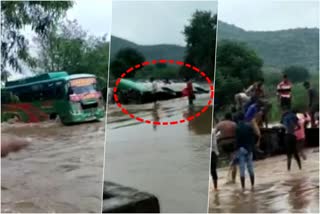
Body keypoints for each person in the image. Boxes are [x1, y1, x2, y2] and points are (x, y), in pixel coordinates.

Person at [235, 112, 256, 190]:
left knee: (242, 169)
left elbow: (237, 141)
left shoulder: (237, 128)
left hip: (241, 150)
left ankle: (243, 188)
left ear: (238, 119)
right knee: (250, 168)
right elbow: (252, 138)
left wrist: (236, 149)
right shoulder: (249, 126)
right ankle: (252, 186)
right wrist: (252, 148)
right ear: (244, 118)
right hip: (249, 149)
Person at [215, 113, 237, 183]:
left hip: (223, 145)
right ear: (231, 118)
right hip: (233, 144)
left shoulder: (220, 124)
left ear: (224, 117)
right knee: (233, 161)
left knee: (228, 157)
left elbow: (214, 133)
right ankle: (233, 179)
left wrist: (218, 139)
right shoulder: (234, 124)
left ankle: (228, 164)